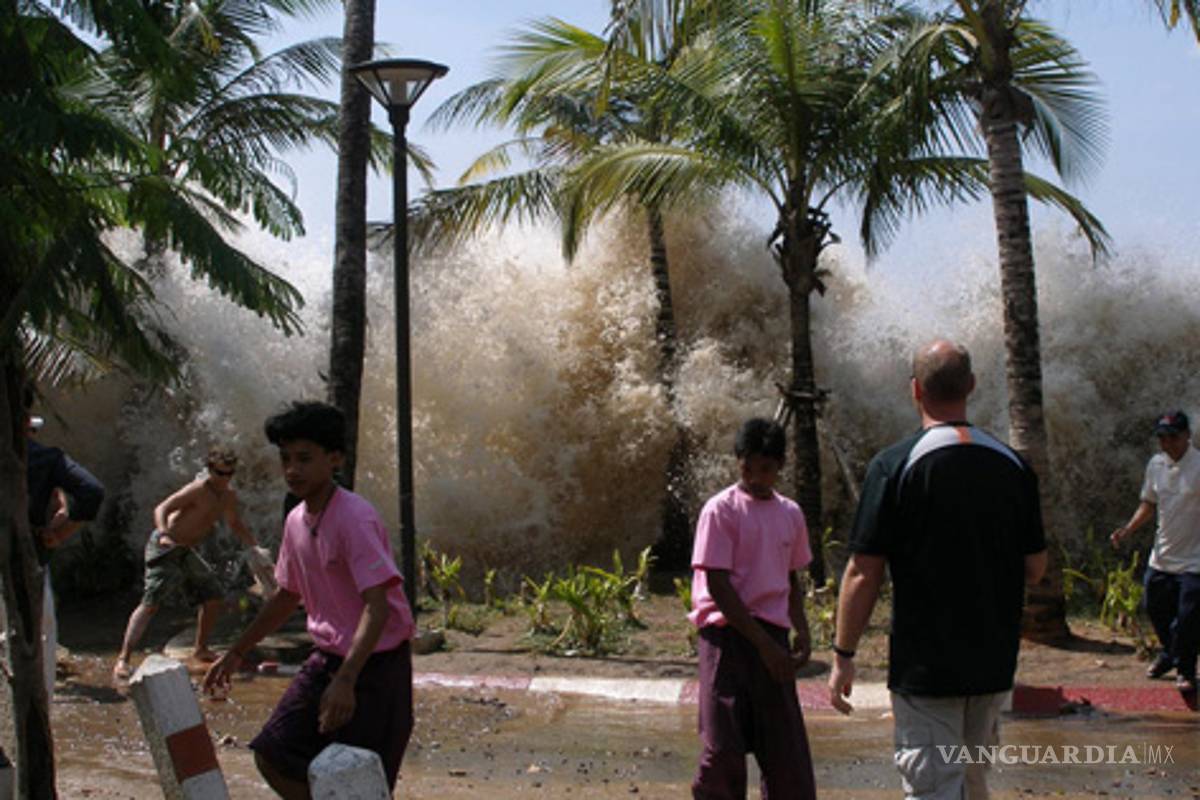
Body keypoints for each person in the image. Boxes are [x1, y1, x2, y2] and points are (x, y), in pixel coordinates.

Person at [828, 339, 1047, 800]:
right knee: (972, 783)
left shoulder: (894, 466)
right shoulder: (1013, 466)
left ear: (915, 390)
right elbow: (1035, 568)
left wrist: (843, 655)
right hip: (992, 665)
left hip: (925, 668)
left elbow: (863, 573)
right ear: (970, 385)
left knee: (932, 790)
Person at [204, 401, 414, 799]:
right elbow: (286, 596)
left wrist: (347, 680)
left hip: (374, 668)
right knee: (273, 753)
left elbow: (378, 604)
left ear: (334, 459)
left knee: (363, 781)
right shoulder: (296, 520)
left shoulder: (355, 517)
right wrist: (236, 652)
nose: (292, 470)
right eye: (285, 459)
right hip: (326, 660)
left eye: (304, 458)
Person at [688, 417, 817, 800]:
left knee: (786, 755)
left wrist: (802, 631)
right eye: (748, 467)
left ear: (780, 468)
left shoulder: (790, 514)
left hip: (772, 637)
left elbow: (791, 578)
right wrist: (763, 645)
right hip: (726, 638)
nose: (756, 477)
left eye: (766, 469)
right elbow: (718, 584)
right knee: (722, 749)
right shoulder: (720, 510)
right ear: (738, 462)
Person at [113, 445, 260, 680]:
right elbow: (163, 507)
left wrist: (254, 546)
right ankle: (123, 659)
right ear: (210, 470)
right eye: (220, 473)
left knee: (213, 596)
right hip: (166, 548)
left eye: (229, 474)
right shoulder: (197, 489)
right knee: (151, 603)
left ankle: (200, 648)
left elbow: (234, 523)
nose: (225, 479)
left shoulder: (228, 496)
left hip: (187, 550)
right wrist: (163, 533)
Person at [1110, 410, 1200, 694]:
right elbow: (1148, 503)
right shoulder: (1155, 465)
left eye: (1173, 437)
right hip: (1161, 556)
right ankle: (1169, 654)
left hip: (1195, 560)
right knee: (1154, 607)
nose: (1167, 443)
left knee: (1187, 619)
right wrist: (1128, 529)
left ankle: (1185, 670)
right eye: (1162, 437)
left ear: (1187, 435)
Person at [24, 400, 105, 695]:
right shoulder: (44, 458)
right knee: (39, 635)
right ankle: (37, 709)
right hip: (27, 555)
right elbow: (92, 492)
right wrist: (60, 534)